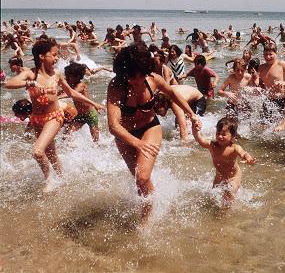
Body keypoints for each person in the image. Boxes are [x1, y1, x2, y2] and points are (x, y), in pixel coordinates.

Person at [106, 43, 201, 217]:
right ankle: (150, 206)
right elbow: (113, 126)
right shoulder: (116, 86)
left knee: (142, 177)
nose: (135, 81)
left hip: (149, 127)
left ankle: (147, 220)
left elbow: (173, 94)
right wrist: (137, 143)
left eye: (139, 76)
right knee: (139, 180)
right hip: (124, 136)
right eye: (130, 77)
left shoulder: (153, 79)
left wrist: (191, 114)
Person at [4, 38, 104, 191]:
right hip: (37, 119)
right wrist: (29, 83)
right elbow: (9, 84)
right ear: (42, 56)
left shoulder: (56, 74)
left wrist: (93, 103)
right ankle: (62, 178)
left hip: (54, 117)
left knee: (38, 151)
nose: (57, 57)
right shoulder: (31, 74)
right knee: (51, 154)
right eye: (54, 54)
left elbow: (71, 93)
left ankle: (49, 180)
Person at [192, 117, 255, 207]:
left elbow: (243, 153)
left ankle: (225, 215)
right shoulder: (212, 145)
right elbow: (200, 140)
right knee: (213, 199)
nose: (220, 136)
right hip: (219, 176)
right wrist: (195, 131)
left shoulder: (234, 147)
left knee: (228, 193)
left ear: (233, 136)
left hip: (234, 176)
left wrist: (248, 158)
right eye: (218, 133)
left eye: (224, 134)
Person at [259, 43, 285, 115]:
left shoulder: (281, 64)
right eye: (265, 54)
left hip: (282, 99)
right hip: (268, 99)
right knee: (263, 124)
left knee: (281, 123)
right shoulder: (261, 67)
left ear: (276, 53)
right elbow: (258, 81)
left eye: (270, 54)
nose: (268, 57)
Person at [63, 63, 101, 142]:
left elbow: (72, 93)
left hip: (91, 114)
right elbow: (62, 91)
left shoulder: (81, 85)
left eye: (68, 77)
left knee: (95, 139)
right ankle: (66, 148)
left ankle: (99, 149)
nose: (66, 78)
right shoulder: (71, 85)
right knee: (67, 132)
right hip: (81, 115)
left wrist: (58, 97)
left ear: (77, 76)